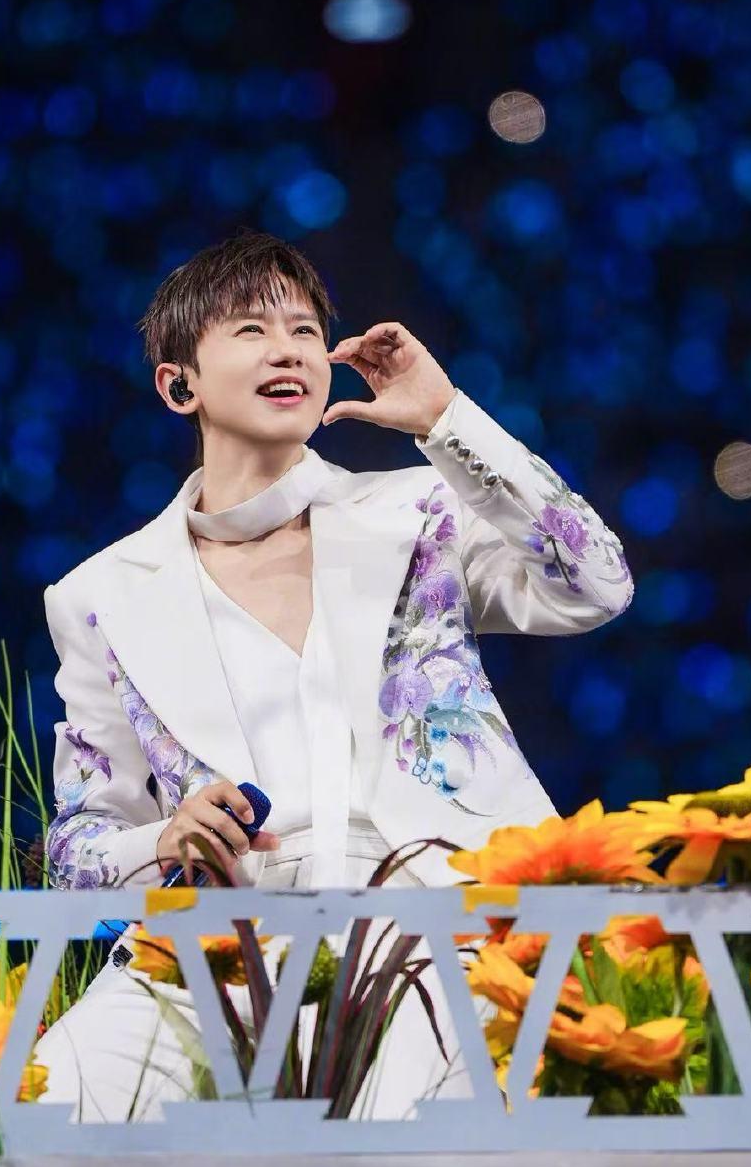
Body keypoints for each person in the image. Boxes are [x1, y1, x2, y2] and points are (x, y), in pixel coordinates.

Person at [32, 229, 634, 1121]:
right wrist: (164, 840)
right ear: (178, 385)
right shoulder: (102, 595)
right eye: (250, 329)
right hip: (217, 944)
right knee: (32, 1117)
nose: (287, 350)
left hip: (440, 921)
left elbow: (597, 584)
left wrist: (444, 419)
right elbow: (77, 849)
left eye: (306, 331)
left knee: (397, 1133)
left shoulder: (417, 514)